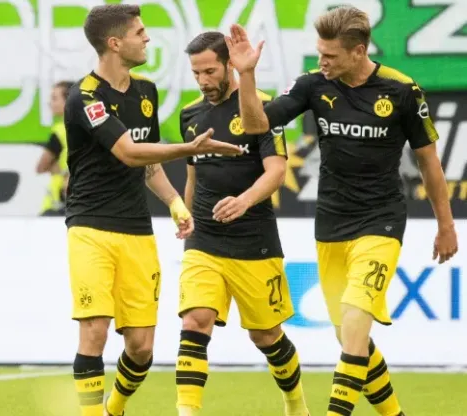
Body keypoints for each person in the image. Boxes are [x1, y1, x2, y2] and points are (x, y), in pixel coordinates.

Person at [225, 6, 459, 416]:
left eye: (330, 55)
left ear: (359, 51)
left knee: (355, 319)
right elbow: (255, 125)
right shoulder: (313, 84)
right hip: (331, 224)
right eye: (320, 53)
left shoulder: (401, 90)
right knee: (349, 335)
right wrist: (246, 75)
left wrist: (446, 225)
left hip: (381, 222)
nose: (322, 61)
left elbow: (429, 162)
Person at [65, 5, 243, 416]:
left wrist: (175, 202)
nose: (147, 38)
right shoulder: (85, 97)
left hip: (137, 231)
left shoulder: (146, 91)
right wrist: (189, 148)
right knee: (94, 331)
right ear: (115, 43)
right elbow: (129, 152)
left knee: (141, 348)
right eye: (139, 32)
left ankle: (113, 408)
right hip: (90, 228)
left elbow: (148, 162)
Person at [174, 31, 310, 416]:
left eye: (210, 71)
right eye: (196, 73)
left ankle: (295, 404)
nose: (202, 81)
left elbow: (276, 171)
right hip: (204, 240)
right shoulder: (189, 115)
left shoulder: (261, 108)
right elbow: (193, 176)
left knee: (265, 336)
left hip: (254, 242)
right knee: (195, 320)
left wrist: (244, 201)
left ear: (229, 65)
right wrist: (185, 215)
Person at [36, 81, 74, 216]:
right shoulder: (90, 128)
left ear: (68, 102)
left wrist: (60, 170)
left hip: (58, 202)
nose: (50, 103)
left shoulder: (60, 131)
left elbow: (41, 166)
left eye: (54, 98)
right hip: (81, 202)